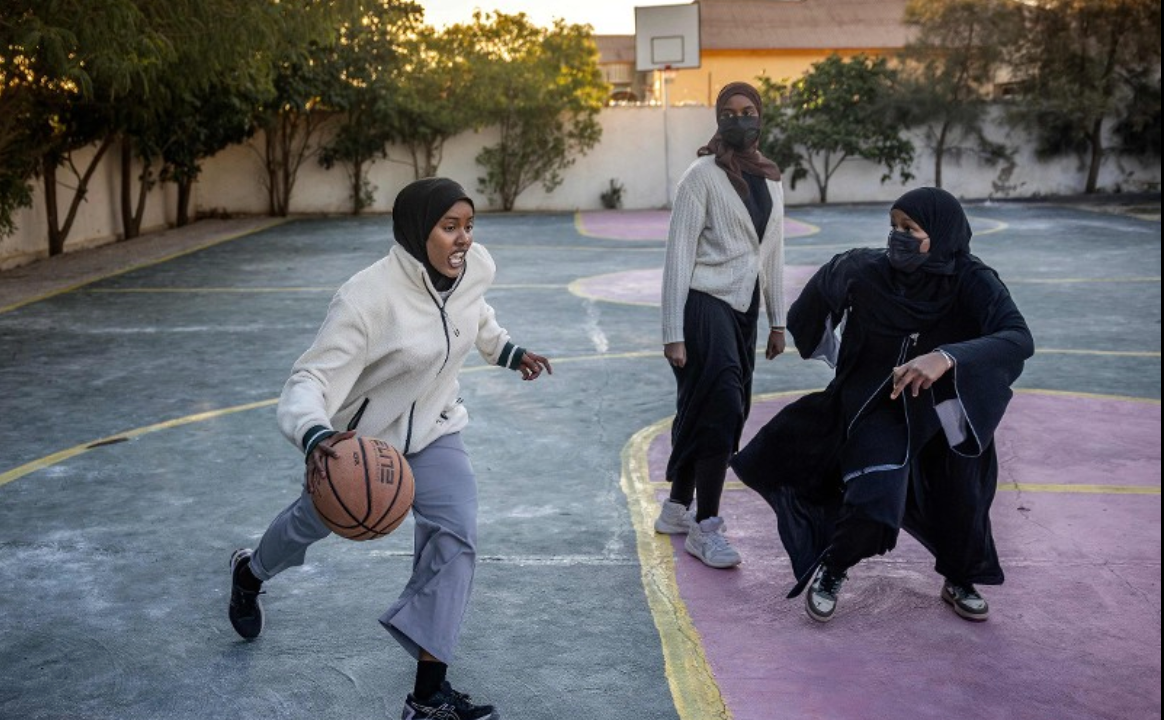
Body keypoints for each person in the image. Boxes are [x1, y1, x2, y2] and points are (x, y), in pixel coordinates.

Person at [227, 177, 552, 720]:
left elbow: (473, 314)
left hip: (435, 428)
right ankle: (250, 572)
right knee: (311, 524)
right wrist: (315, 434)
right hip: (361, 447)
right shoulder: (367, 298)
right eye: (450, 227)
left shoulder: (474, 268)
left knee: (456, 537)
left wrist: (507, 351)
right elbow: (309, 378)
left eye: (469, 226)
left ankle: (427, 697)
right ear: (416, 230)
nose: (463, 239)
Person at [731, 187, 1034, 623]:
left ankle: (959, 577)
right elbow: (809, 310)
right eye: (893, 226)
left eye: (909, 229)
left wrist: (945, 357)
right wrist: (838, 357)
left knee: (962, 496)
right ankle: (833, 568)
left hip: (946, 406)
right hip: (883, 404)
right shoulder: (865, 269)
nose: (898, 237)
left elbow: (1018, 338)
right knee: (874, 502)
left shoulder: (972, 279)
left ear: (942, 233)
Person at [657, 81, 787, 569]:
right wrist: (672, 330)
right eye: (729, 113)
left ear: (760, 117)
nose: (739, 119)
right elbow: (679, 254)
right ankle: (706, 526)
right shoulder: (701, 176)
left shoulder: (772, 180)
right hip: (702, 303)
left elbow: (772, 253)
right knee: (722, 408)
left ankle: (675, 508)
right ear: (718, 119)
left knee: (706, 408)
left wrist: (778, 320)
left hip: (744, 308)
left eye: (748, 110)